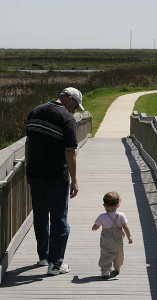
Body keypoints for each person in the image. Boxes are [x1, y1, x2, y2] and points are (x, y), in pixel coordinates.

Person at [25, 87, 84, 276]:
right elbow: (70, 152)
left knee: (40, 217)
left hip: (35, 175)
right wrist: (75, 180)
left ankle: (43, 256)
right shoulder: (67, 118)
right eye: (75, 105)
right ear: (68, 99)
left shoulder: (36, 111)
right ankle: (55, 264)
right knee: (59, 220)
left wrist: (28, 169)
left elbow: (28, 143)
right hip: (57, 176)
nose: (74, 110)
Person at [92, 191, 133, 279]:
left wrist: (94, 228)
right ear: (118, 205)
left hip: (106, 238)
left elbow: (96, 226)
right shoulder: (121, 215)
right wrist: (129, 236)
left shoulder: (102, 216)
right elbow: (125, 226)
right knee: (119, 253)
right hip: (118, 238)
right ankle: (117, 266)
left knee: (106, 253)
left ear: (104, 205)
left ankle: (106, 270)